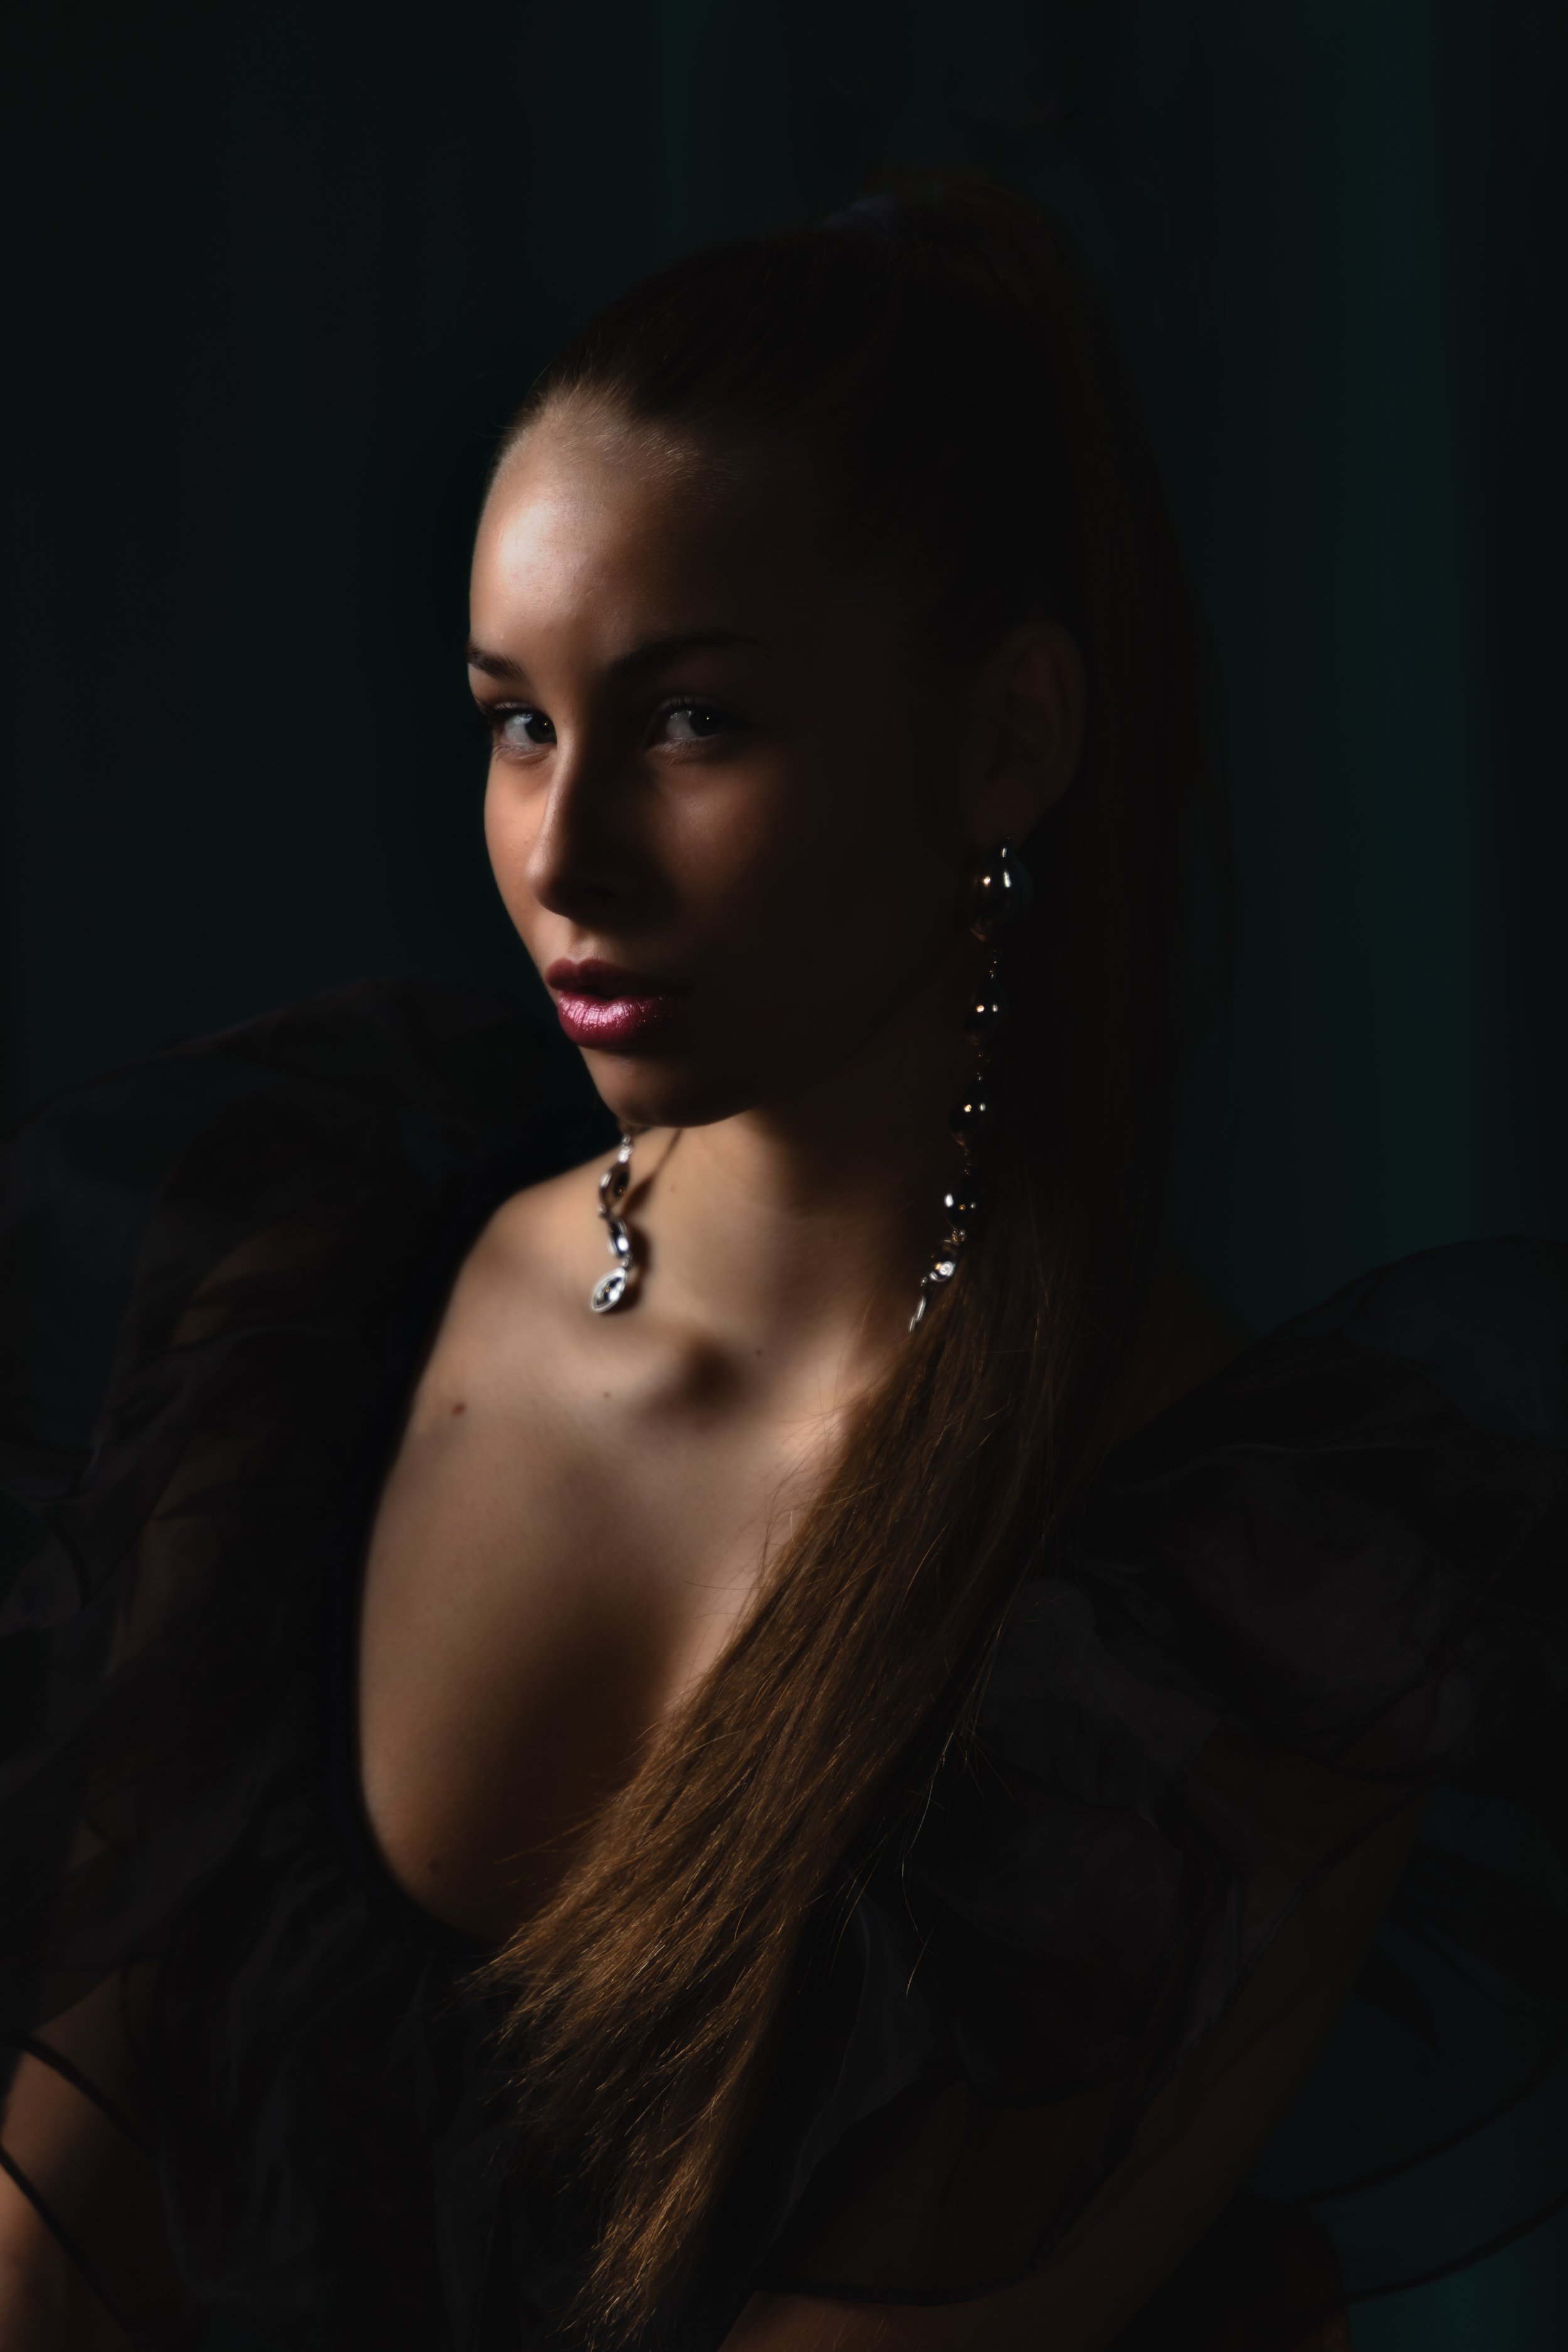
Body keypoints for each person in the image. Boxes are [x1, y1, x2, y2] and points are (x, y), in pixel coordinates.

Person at [0, 180, 1564, 2352]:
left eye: (689, 722)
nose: (560, 854)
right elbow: (52, 2247)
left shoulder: (1231, 1606)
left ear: (1006, 740)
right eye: (516, 720)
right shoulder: (293, 1305)